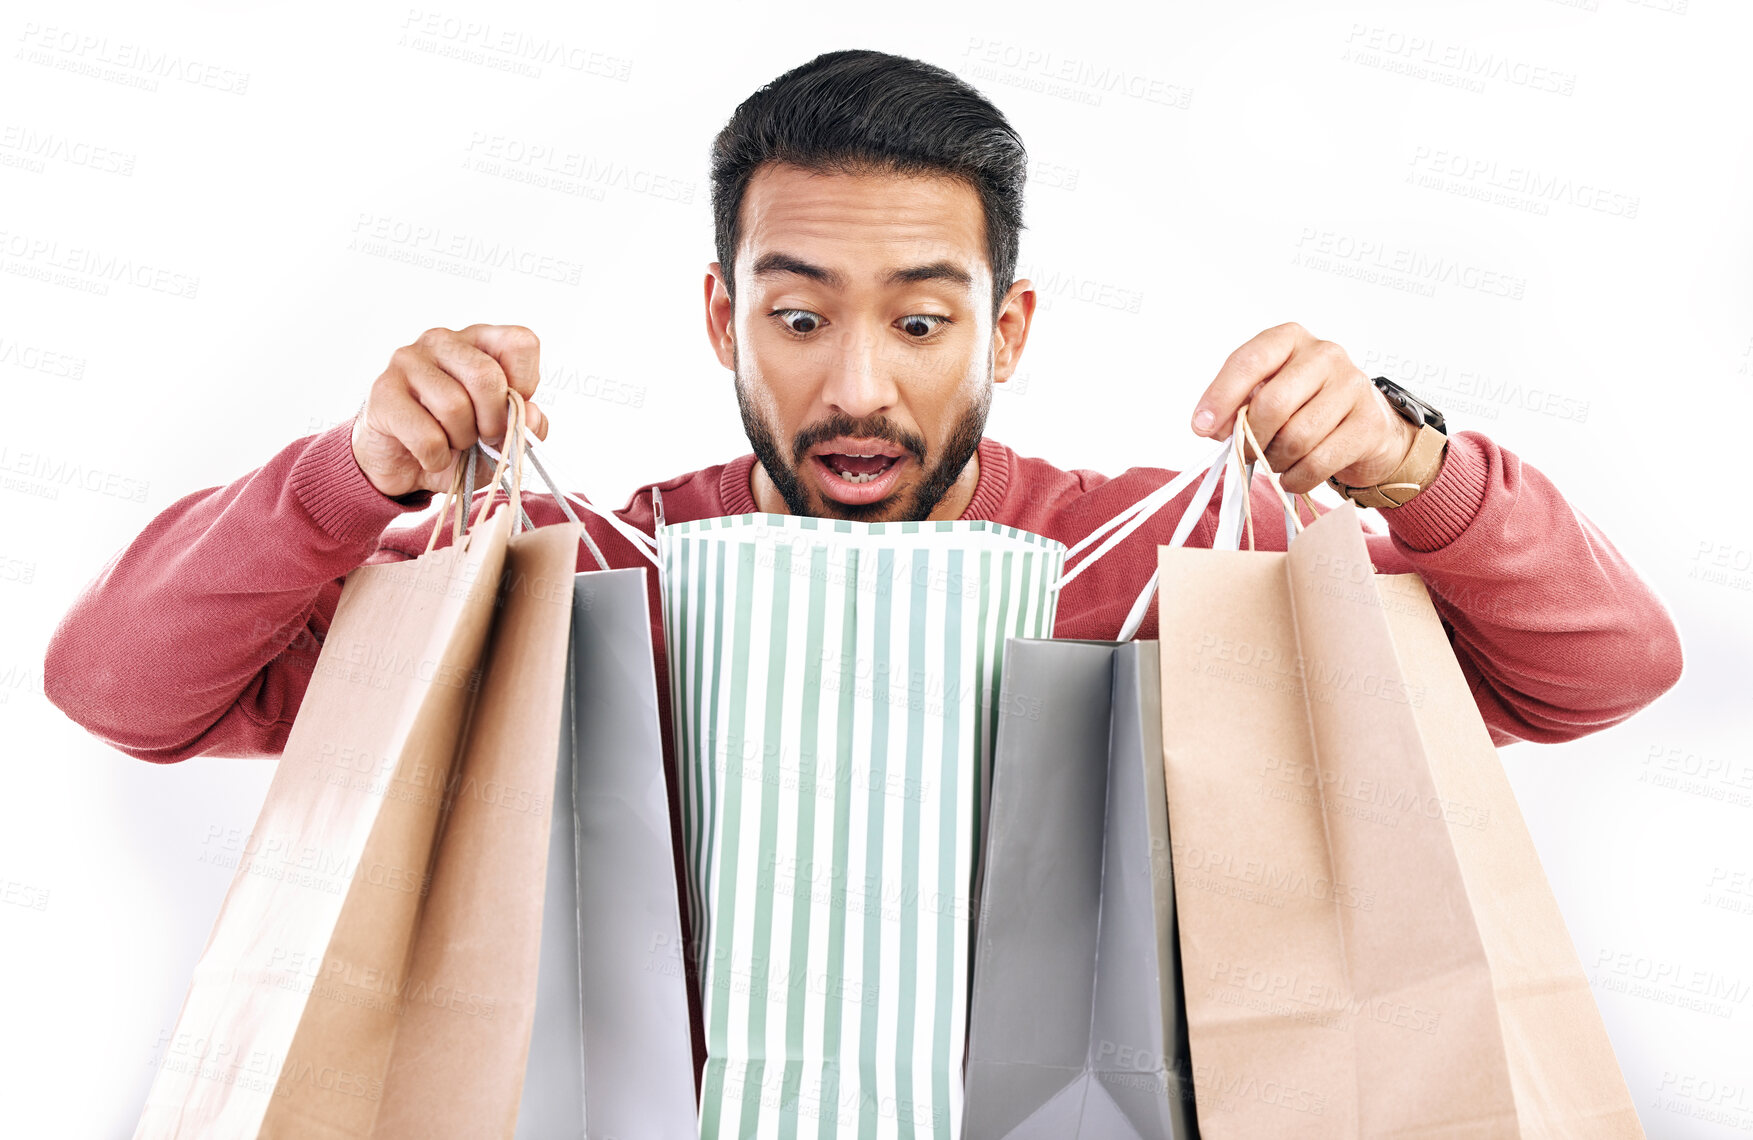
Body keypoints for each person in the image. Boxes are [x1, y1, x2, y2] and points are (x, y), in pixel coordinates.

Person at [42, 48, 1682, 1098]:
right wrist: (352, 474)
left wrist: (1407, 461)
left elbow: (1596, 673)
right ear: (720, 318)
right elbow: (122, 690)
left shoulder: (1165, 565)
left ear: (1005, 329)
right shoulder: (578, 574)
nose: (855, 388)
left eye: (919, 319)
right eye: (797, 314)